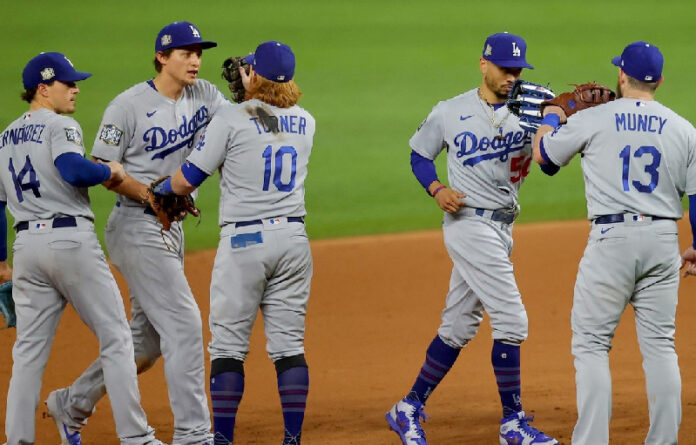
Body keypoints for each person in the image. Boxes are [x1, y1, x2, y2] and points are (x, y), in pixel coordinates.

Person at [45, 21, 228, 445]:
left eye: (199, 52)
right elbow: (105, 170)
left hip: (170, 228)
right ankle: (194, 434)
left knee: (145, 342)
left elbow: (232, 125)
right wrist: (151, 195)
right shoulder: (126, 107)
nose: (196, 60)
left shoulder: (207, 96)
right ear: (162, 57)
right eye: (186, 53)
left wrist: (255, 91)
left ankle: (71, 404)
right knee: (183, 324)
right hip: (135, 224)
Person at [385, 32, 559, 445]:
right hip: (467, 225)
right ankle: (512, 423)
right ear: (484, 65)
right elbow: (419, 154)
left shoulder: (532, 112)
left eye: (518, 70)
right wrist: (436, 188)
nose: (512, 77)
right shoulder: (450, 111)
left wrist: (554, 121)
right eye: (505, 69)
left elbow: (550, 165)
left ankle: (406, 407)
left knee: (458, 326)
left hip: (503, 228)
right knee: (513, 320)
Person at [152, 40, 314, 445]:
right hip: (294, 240)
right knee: (289, 347)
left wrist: (157, 188)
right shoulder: (306, 120)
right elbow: (272, 121)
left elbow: (187, 179)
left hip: (245, 242)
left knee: (227, 348)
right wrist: (254, 96)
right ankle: (292, 438)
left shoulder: (231, 117)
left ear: (253, 74)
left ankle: (222, 439)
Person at [532, 41, 692, 445]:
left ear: (622, 76)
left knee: (590, 345)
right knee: (660, 347)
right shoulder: (684, 128)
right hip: (662, 240)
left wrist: (553, 115)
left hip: (612, 240)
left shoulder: (598, 117)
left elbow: (545, 159)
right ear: (660, 81)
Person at [1, 52, 165, 445]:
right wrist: (110, 170)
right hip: (69, 242)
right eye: (67, 83)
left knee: (27, 354)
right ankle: (135, 436)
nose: (75, 89)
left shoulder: (5, 137)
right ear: (43, 89)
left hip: (26, 247)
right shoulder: (61, 125)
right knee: (117, 337)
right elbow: (73, 169)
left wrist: (2, 263)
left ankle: (18, 440)